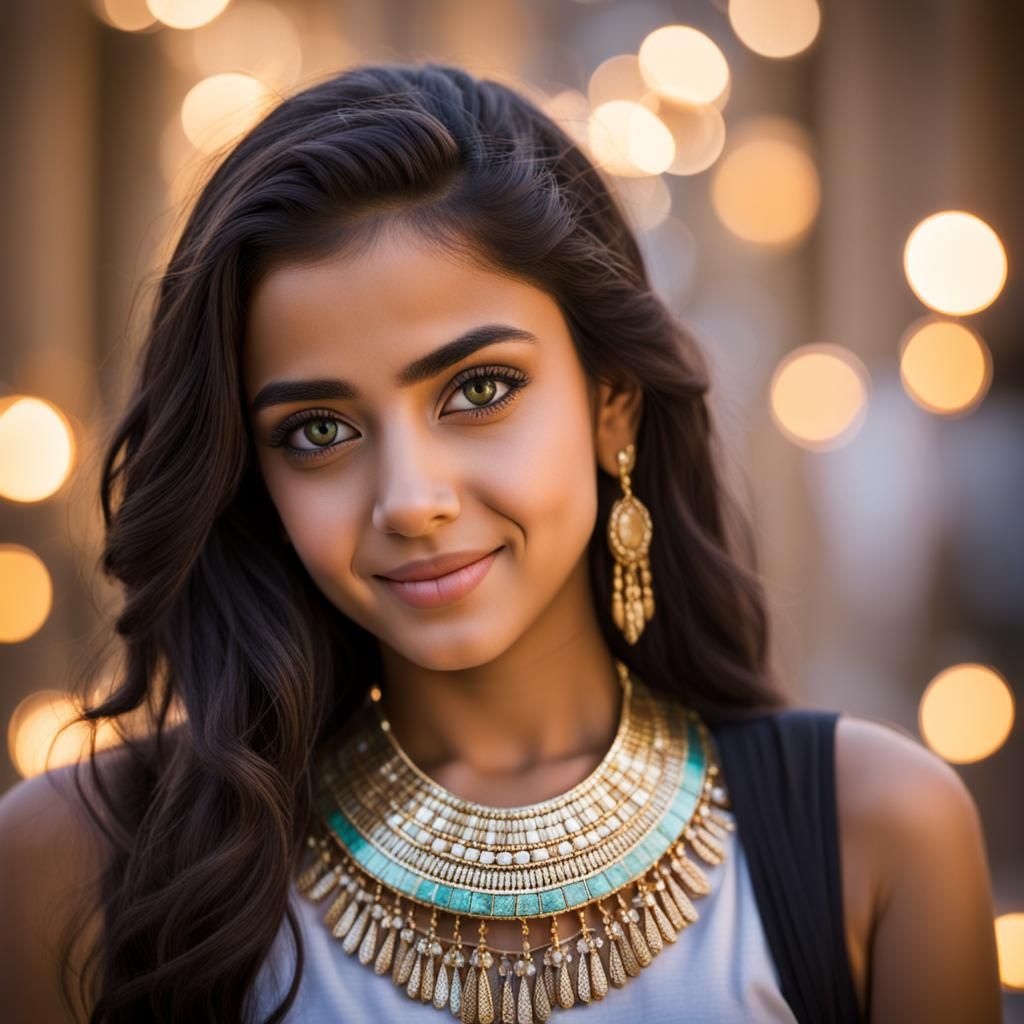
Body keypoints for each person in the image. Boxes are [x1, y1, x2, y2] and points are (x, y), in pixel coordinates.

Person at [0, 63, 1003, 1024]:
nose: (410, 499)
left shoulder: (873, 835)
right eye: (318, 430)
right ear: (254, 478)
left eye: (477, 390)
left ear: (612, 402)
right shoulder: (77, 862)